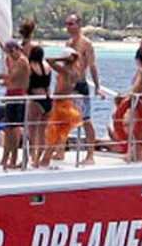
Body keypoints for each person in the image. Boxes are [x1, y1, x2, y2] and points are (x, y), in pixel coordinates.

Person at [64, 13, 104, 164]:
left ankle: (90, 155)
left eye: (71, 24)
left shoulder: (86, 44)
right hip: (69, 86)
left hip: (80, 85)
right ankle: (61, 151)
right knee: (64, 118)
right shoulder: (68, 44)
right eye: (67, 24)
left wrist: (97, 87)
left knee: (86, 120)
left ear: (79, 25)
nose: (68, 27)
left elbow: (92, 66)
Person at [41, 47, 84, 168]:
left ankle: (45, 160)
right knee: (59, 133)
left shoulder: (66, 71)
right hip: (66, 103)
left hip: (61, 103)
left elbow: (49, 61)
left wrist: (62, 58)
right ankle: (57, 154)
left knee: (53, 134)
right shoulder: (75, 71)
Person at [0, 40, 29, 169]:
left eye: (10, 52)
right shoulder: (10, 60)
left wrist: (1, 76)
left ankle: (13, 158)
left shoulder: (22, 61)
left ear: (15, 49)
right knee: (8, 129)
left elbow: (12, 77)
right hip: (11, 94)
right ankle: (6, 157)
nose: (9, 55)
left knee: (14, 129)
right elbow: (9, 81)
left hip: (19, 96)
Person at [26, 45, 51, 167]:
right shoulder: (47, 66)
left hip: (36, 99)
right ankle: (39, 159)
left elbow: (27, 84)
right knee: (42, 132)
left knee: (33, 131)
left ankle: (33, 157)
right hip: (47, 99)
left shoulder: (30, 67)